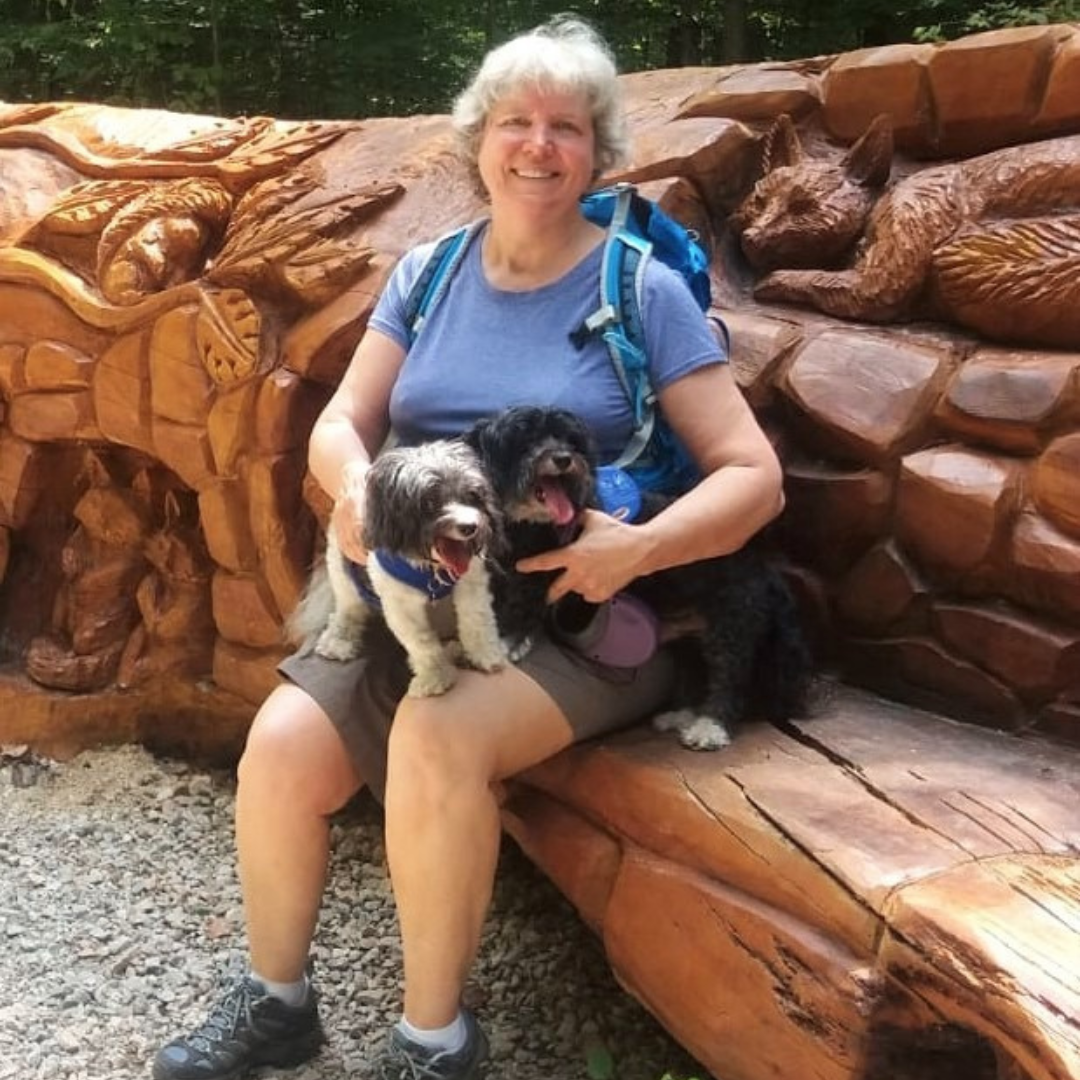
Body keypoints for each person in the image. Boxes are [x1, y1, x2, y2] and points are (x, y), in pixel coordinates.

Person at [152, 15, 784, 1080]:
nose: (539, 146)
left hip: (586, 611)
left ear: (599, 150)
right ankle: (277, 1002)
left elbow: (753, 476)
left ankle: (433, 1042)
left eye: (567, 127)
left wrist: (639, 550)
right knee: (280, 749)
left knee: (436, 739)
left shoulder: (641, 288)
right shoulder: (429, 272)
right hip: (421, 596)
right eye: (516, 122)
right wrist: (352, 491)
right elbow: (341, 421)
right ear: (478, 140)